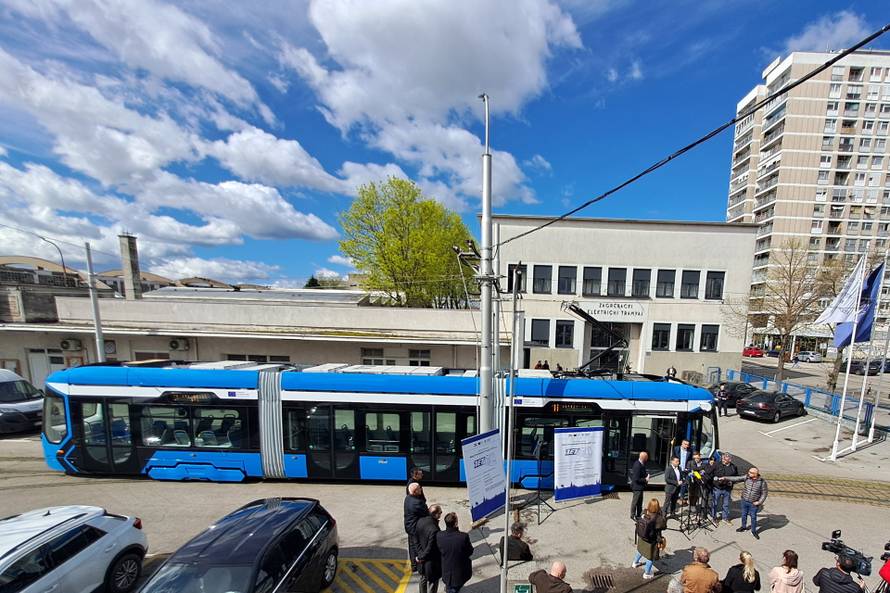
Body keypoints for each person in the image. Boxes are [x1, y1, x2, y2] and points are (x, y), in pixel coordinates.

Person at [437, 512, 474, 593]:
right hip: (460, 573)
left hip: (446, 572)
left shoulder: (439, 535)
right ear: (456, 523)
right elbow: (470, 551)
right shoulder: (463, 537)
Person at [633, 498, 667, 580]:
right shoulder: (658, 518)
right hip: (651, 540)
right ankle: (647, 573)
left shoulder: (644, 512)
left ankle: (635, 563)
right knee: (650, 557)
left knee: (640, 550)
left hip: (641, 537)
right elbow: (663, 527)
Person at [730, 467, 768, 539]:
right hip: (744, 500)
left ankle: (753, 531)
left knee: (753, 517)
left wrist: (759, 502)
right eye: (749, 472)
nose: (748, 473)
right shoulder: (747, 477)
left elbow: (764, 493)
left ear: (755, 474)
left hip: (753, 503)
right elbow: (736, 479)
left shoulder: (762, 482)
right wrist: (724, 478)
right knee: (743, 515)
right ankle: (743, 527)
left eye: (750, 472)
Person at [415, 505, 443, 593]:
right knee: (433, 582)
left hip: (421, 560)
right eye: (440, 513)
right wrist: (422, 557)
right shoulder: (434, 529)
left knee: (423, 578)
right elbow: (430, 548)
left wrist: (420, 555)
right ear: (435, 514)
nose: (441, 515)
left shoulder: (420, 521)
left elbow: (415, 539)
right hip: (431, 563)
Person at [404, 482, 430, 573]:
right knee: (418, 547)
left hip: (409, 526)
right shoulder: (417, 502)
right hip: (415, 528)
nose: (421, 489)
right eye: (419, 488)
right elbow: (426, 512)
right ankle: (419, 566)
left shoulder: (407, 498)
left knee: (411, 547)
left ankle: (413, 565)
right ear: (415, 491)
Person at [711, 452, 739, 524]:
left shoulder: (734, 467)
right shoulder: (716, 464)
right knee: (715, 503)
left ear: (729, 460)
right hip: (717, 488)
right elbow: (711, 474)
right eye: (722, 458)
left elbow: (736, 478)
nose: (723, 460)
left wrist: (732, 482)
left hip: (727, 489)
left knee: (726, 504)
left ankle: (725, 518)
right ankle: (714, 518)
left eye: (725, 459)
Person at [629, 451, 650, 520]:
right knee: (635, 502)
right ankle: (632, 515)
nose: (647, 458)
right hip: (637, 487)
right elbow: (636, 479)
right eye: (647, 457)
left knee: (640, 502)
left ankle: (638, 515)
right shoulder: (637, 465)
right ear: (644, 457)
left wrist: (646, 475)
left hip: (640, 487)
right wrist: (646, 479)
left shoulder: (641, 463)